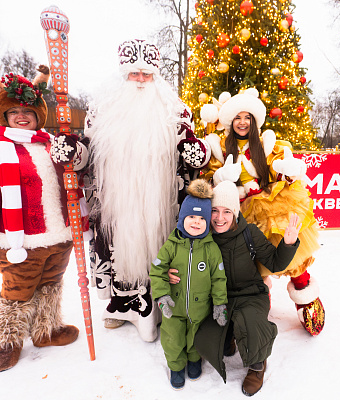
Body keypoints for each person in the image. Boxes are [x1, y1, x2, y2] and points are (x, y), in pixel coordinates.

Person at [83, 39, 211, 341]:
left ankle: (154, 306)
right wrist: (73, 151)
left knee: (158, 247)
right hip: (117, 200)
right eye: (134, 74)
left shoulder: (174, 110)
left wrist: (196, 152)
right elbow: (86, 151)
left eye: (147, 74)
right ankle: (123, 303)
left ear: (156, 75)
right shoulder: (101, 110)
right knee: (120, 247)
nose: (140, 80)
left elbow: (191, 147)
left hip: (158, 200)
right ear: (123, 75)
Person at [199, 88, 325, 336]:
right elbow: (208, 178)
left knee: (290, 247)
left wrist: (285, 170)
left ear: (254, 120)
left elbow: (283, 169)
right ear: (230, 121)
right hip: (238, 207)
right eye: (237, 117)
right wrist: (222, 176)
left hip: (270, 202)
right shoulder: (221, 146)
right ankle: (258, 302)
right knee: (249, 262)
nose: (243, 122)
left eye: (247, 117)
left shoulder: (268, 144)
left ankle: (306, 298)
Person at [169, 179, 300, 396]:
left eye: (227, 212)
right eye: (215, 211)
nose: (220, 218)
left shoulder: (249, 233)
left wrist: (288, 244)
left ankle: (257, 366)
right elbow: (182, 257)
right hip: (219, 298)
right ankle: (228, 335)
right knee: (204, 337)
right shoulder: (202, 235)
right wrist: (169, 272)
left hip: (250, 294)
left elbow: (275, 263)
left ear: (235, 213)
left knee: (251, 324)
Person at [0, 66, 88, 371]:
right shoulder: (2, 147)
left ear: (38, 115)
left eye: (28, 111)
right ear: (6, 116)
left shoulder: (50, 142)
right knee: (17, 290)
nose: (22, 116)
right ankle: (8, 341)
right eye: (15, 112)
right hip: (21, 238)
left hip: (59, 235)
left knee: (51, 283)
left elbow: (74, 174)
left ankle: (45, 330)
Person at [149, 179, 227, 390]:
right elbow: (157, 270)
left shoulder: (211, 249)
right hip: (173, 308)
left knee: (195, 337)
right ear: (182, 218)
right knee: (173, 339)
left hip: (200, 308)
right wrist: (162, 296)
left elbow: (219, 279)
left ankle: (194, 360)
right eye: (191, 217)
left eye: (201, 218)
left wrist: (220, 304)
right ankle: (175, 366)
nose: (196, 222)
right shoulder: (171, 245)